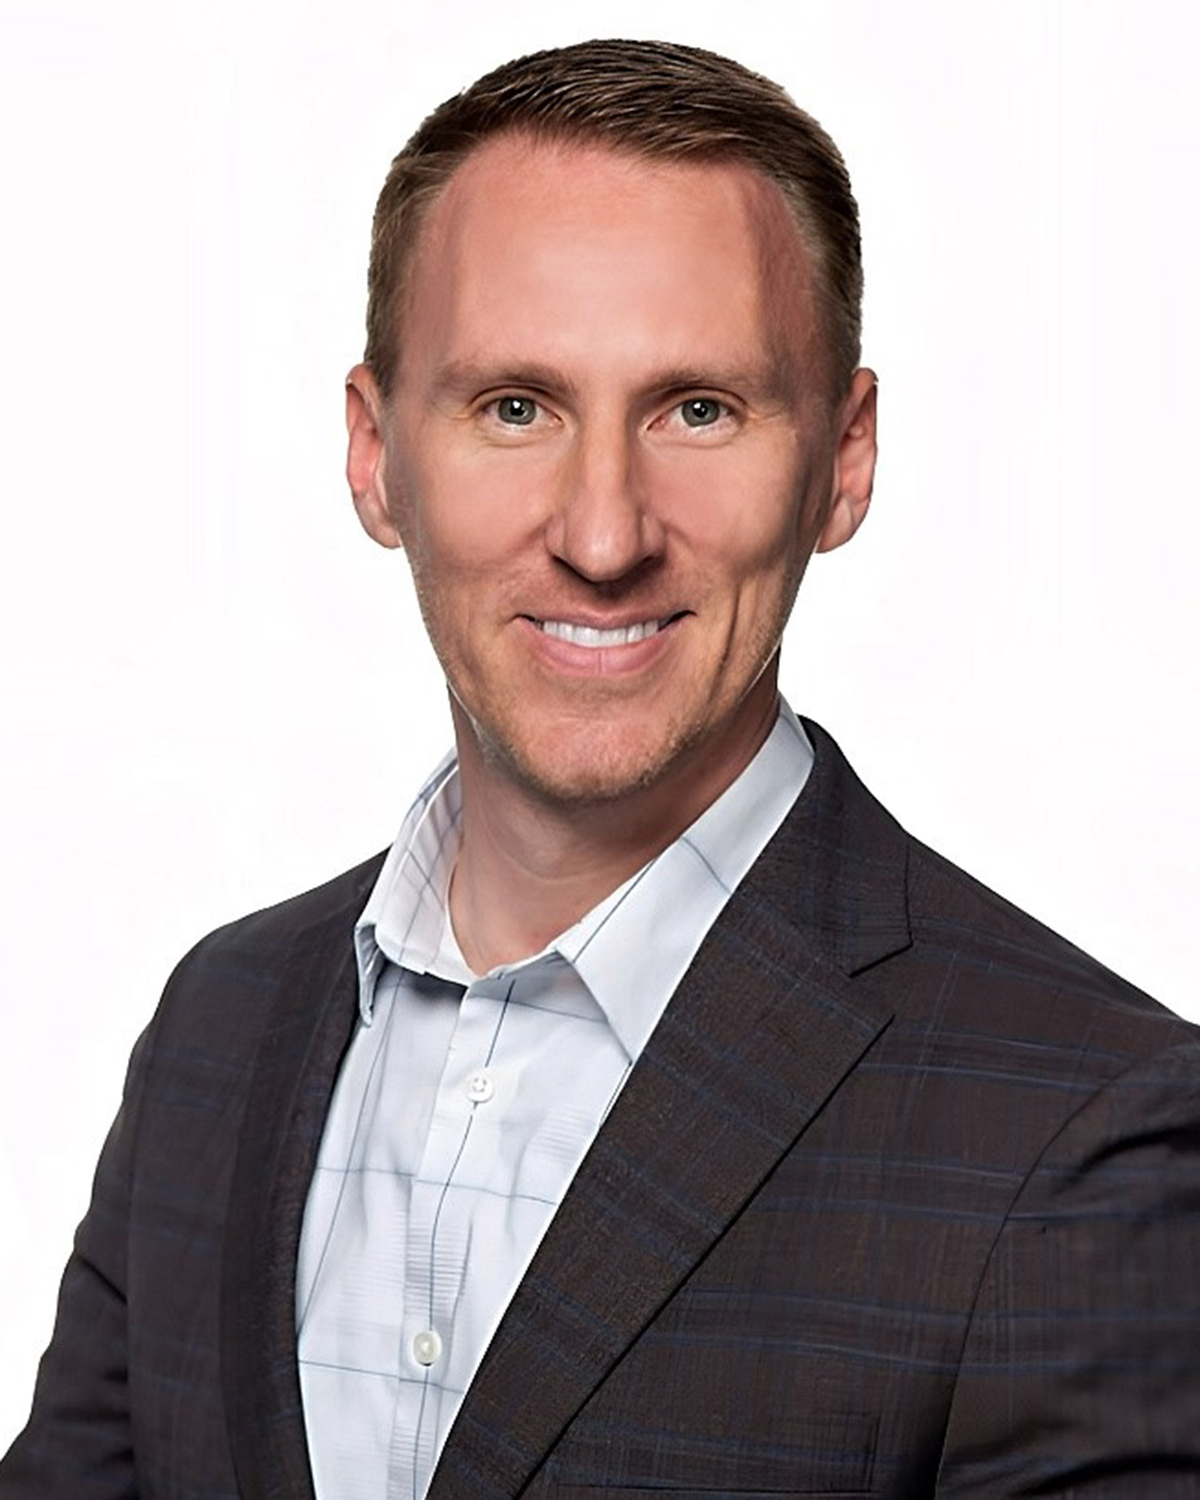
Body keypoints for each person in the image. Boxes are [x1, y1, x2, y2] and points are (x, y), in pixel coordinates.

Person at [3, 36, 1199, 1500]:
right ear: (376, 455)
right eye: (516, 406)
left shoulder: (1084, 1129)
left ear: (843, 460)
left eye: (698, 408)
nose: (604, 532)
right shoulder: (220, 1027)